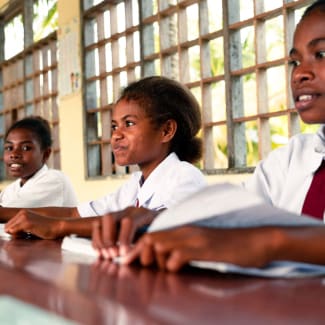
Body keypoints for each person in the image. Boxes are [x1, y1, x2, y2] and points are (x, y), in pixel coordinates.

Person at [94, 0, 325, 271]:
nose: (299, 73)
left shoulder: (181, 176)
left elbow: (258, 238)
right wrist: (159, 219)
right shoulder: (292, 159)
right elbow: (231, 216)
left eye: (321, 54)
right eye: (295, 61)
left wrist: (269, 242)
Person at [4, 76, 207, 241]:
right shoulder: (136, 185)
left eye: (128, 124)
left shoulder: (183, 175)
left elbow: (163, 225)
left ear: (166, 130)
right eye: (113, 126)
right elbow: (75, 214)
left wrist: (58, 227)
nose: (116, 135)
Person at [0, 116, 78, 209]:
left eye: (26, 148)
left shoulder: (54, 180)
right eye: (9, 148)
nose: (14, 154)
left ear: (45, 154)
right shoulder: (11, 190)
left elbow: (10, 213)